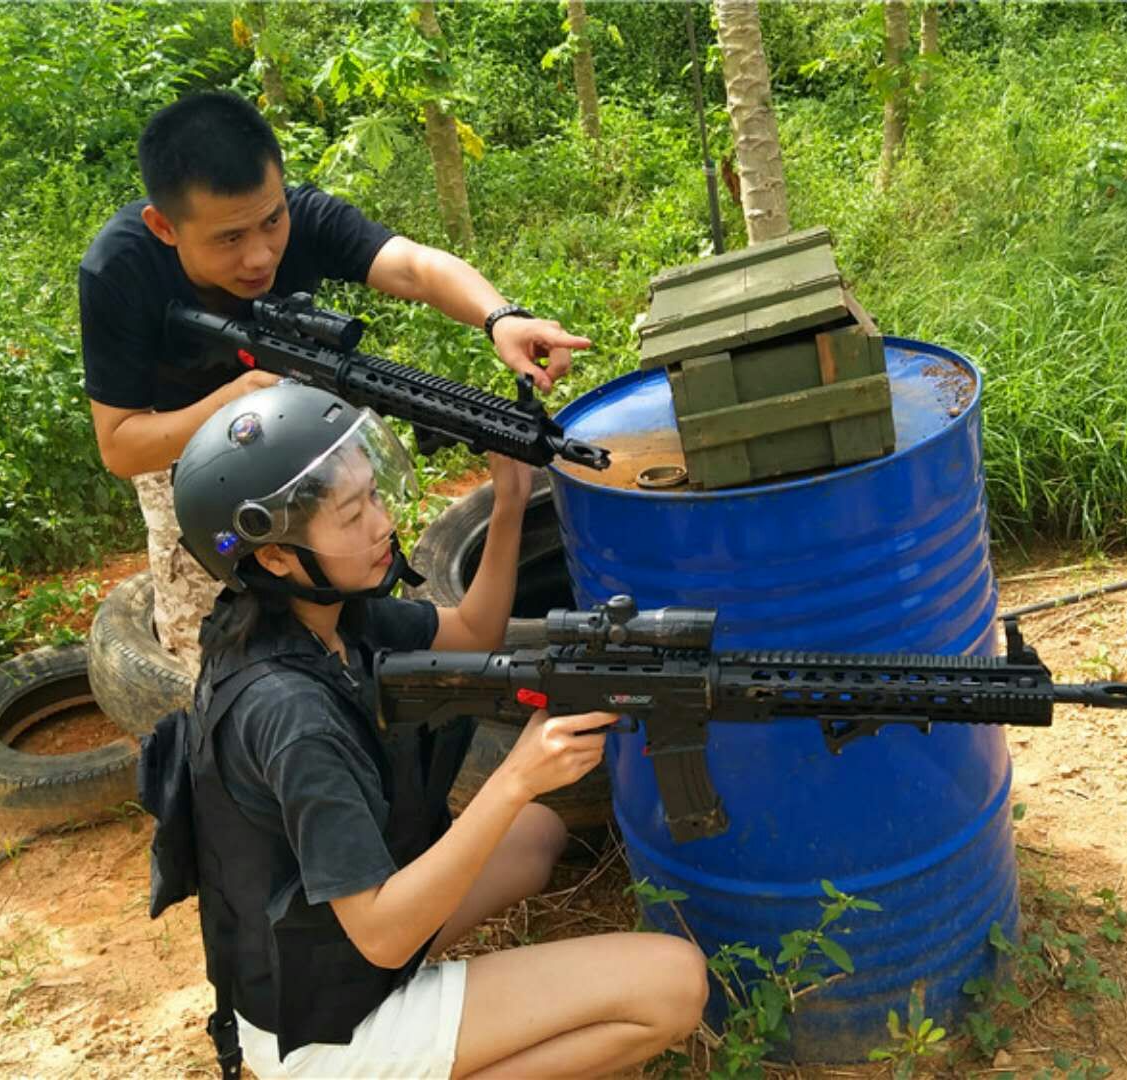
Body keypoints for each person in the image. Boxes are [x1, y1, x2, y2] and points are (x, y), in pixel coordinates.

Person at [163, 382, 707, 1079]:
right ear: (274, 556)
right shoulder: (292, 718)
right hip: (328, 1021)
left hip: (305, 949)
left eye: (374, 497)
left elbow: (473, 632)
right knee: (673, 984)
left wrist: (509, 504)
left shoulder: (318, 620)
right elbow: (385, 938)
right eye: (352, 514)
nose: (381, 524)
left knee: (536, 837)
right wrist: (512, 780)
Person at [79, 91, 591, 667]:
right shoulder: (119, 270)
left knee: (353, 613)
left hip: (310, 436)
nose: (260, 256)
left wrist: (501, 317)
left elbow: (415, 267)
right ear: (164, 227)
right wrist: (234, 401)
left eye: (272, 221)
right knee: (213, 653)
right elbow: (120, 444)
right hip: (191, 464)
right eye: (229, 239)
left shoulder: (298, 215)